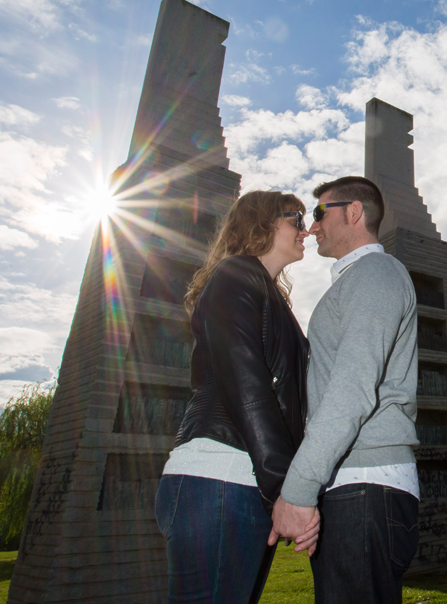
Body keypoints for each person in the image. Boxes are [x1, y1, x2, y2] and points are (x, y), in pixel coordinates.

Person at [155, 190, 320, 604]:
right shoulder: (236, 275)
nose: (306, 230)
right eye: (294, 219)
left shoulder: (268, 294)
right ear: (261, 223)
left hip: (242, 482)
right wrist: (285, 490)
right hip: (219, 477)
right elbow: (249, 390)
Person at [268, 176, 420, 604]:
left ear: (354, 213)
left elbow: (351, 392)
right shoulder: (359, 280)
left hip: (365, 485)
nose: (312, 226)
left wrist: (297, 490)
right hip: (355, 486)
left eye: (319, 214)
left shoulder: (374, 274)